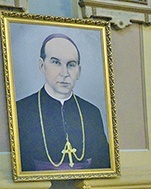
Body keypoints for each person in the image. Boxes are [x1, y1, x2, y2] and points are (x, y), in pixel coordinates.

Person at [16, 33, 110, 171]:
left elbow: (104, 163)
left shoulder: (91, 112)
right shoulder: (21, 110)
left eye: (71, 65)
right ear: (42, 66)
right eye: (56, 62)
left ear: (79, 71)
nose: (64, 73)